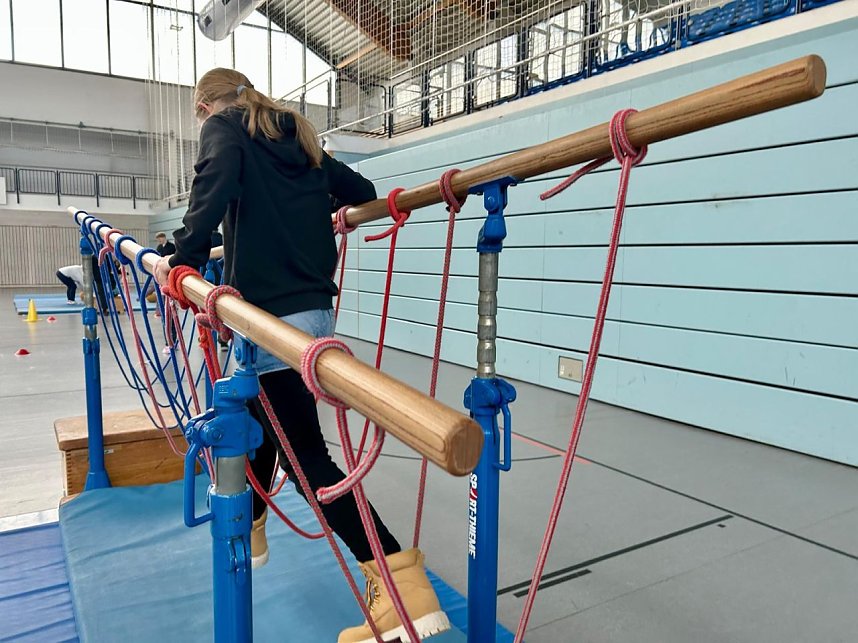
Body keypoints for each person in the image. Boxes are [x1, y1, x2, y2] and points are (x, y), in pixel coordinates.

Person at [153, 68, 450, 643]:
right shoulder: (300, 137)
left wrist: (181, 260)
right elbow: (361, 191)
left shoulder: (225, 128)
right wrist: (310, 210)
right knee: (262, 423)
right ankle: (254, 523)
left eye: (199, 111)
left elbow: (213, 187)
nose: (202, 120)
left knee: (308, 460)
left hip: (269, 320)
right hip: (312, 314)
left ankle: (400, 584)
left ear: (209, 105)